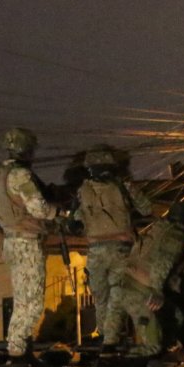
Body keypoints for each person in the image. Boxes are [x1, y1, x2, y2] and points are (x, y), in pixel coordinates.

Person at [75, 146, 155, 348]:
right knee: (119, 296)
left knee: (101, 297)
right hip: (120, 249)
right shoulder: (123, 186)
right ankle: (116, 340)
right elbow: (146, 208)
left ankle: (104, 337)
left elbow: (76, 219)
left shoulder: (83, 190)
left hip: (95, 251)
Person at [0, 127, 57, 358]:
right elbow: (40, 208)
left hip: (11, 241)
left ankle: (17, 348)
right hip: (27, 242)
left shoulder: (0, 175)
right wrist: (57, 210)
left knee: (22, 300)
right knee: (33, 303)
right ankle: (17, 351)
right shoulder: (20, 175)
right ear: (26, 149)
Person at [112, 201, 184, 357]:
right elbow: (162, 263)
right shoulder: (176, 236)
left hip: (128, 287)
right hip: (141, 294)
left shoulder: (159, 229)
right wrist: (157, 291)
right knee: (152, 347)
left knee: (175, 315)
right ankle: (128, 362)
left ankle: (159, 351)